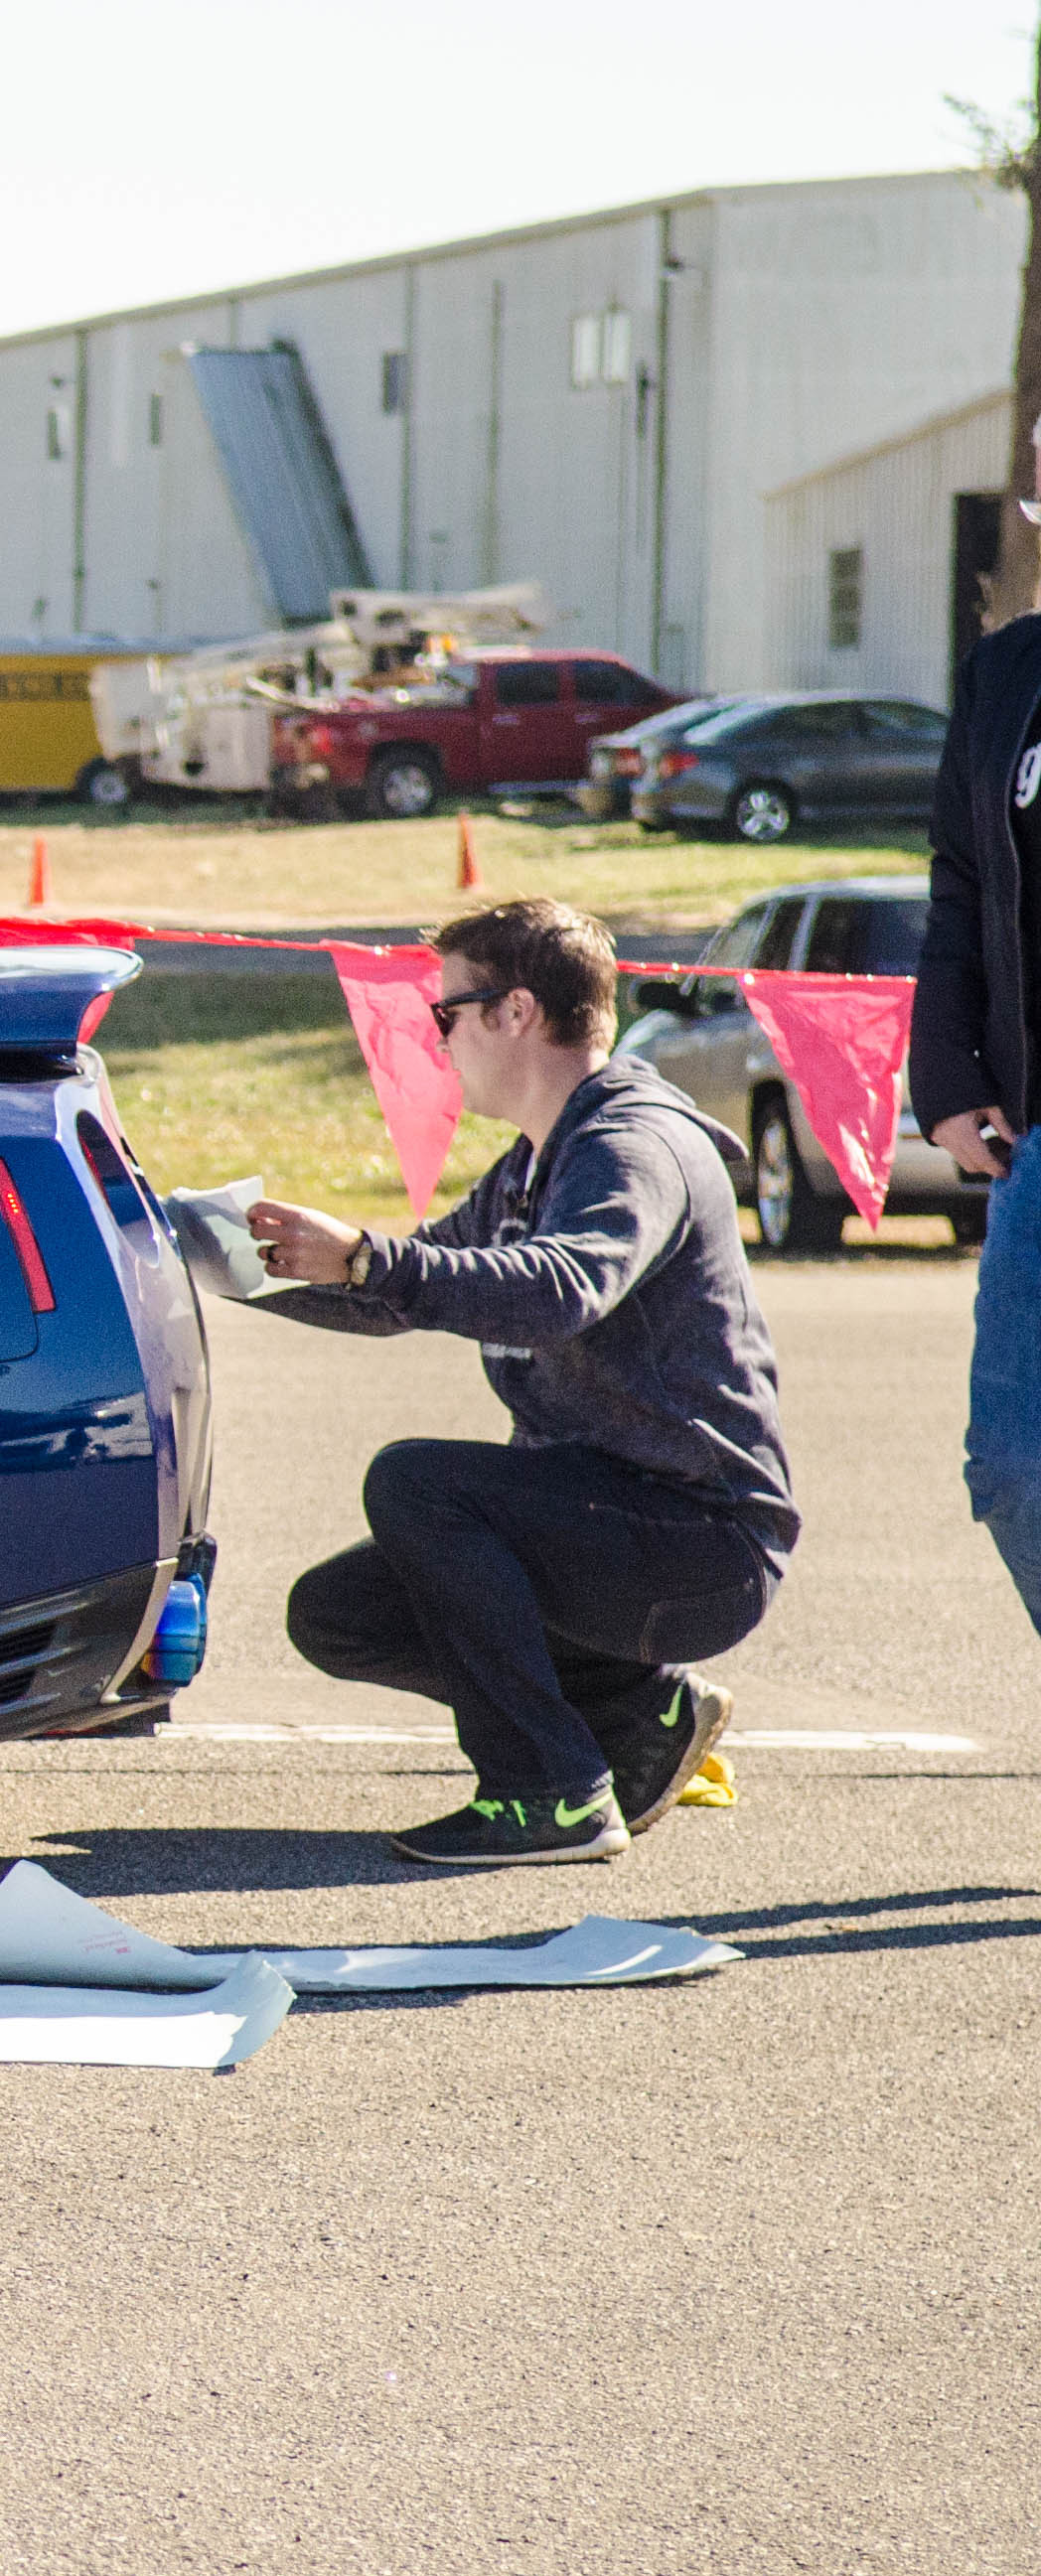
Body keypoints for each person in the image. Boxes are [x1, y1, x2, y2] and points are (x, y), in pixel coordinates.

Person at [241, 896, 796, 1865]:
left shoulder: (630, 1146)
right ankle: (636, 1715)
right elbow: (397, 1296)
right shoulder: (533, 1164)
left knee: (417, 1483)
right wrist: (219, 1264)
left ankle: (550, 1793)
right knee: (340, 1615)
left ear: (515, 1012)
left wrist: (367, 1257)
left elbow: (560, 1289)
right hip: (609, 1518)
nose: (436, 1037)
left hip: (699, 1537)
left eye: (446, 1012)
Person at [915, 605, 1041, 1630]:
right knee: (1011, 1465)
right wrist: (947, 1073)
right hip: (1035, 1137)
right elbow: (959, 880)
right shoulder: (1004, 673)